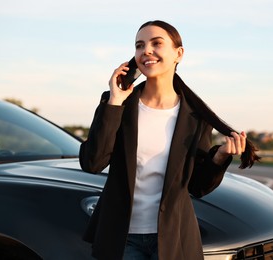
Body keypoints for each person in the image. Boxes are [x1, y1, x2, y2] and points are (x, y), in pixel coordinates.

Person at [79, 20, 260, 260]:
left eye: (156, 43)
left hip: (173, 238)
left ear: (179, 54)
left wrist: (219, 157)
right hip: (122, 238)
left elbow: (197, 187)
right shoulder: (118, 103)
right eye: (139, 45)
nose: (147, 51)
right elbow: (93, 162)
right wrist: (114, 101)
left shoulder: (195, 118)